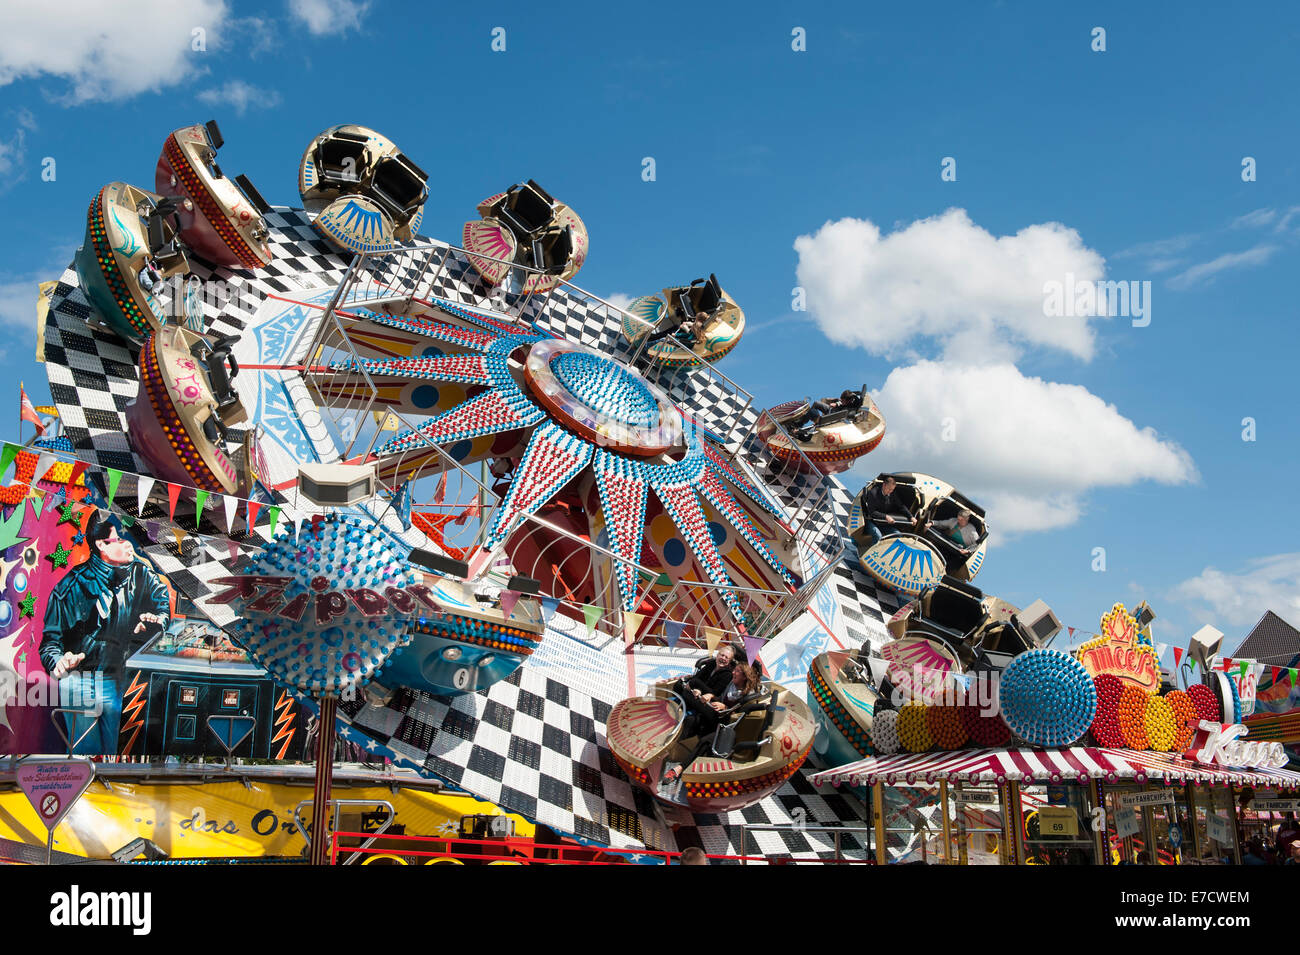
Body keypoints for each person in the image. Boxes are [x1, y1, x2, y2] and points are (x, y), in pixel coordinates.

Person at [39, 514, 170, 756]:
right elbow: (50, 642)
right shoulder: (70, 586)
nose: (128, 545)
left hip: (119, 678)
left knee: (116, 753)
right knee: (84, 753)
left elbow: (162, 604)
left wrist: (156, 621)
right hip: (79, 679)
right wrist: (58, 662)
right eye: (120, 539)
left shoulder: (140, 574)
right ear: (101, 544)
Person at [861, 476, 911, 547]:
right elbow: (872, 512)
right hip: (871, 521)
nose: (890, 491)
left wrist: (911, 516)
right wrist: (886, 516)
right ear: (884, 485)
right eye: (889, 489)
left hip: (883, 523)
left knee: (897, 534)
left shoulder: (892, 494)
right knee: (878, 536)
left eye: (892, 490)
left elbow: (901, 506)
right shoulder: (873, 493)